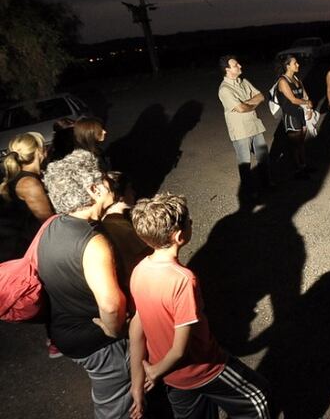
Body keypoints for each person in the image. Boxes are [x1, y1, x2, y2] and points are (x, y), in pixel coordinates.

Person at [129, 193, 271, 419]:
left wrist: (137, 382)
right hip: (203, 368)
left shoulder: (139, 270)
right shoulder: (183, 280)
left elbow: (137, 328)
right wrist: (154, 371)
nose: (191, 222)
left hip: (172, 379)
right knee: (259, 398)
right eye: (188, 221)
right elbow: (180, 349)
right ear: (178, 236)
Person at [37, 150, 130, 419]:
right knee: (115, 407)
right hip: (94, 341)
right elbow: (111, 307)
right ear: (94, 188)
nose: (108, 183)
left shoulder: (54, 225)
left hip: (64, 331)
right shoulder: (92, 242)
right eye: (103, 179)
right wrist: (114, 330)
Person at [218, 55, 272, 193]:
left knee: (263, 158)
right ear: (227, 69)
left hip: (254, 125)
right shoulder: (224, 89)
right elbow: (241, 108)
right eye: (236, 65)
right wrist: (251, 104)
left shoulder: (244, 82)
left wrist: (247, 104)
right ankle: (248, 193)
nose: (240, 66)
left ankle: (266, 185)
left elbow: (261, 96)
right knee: (245, 164)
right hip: (241, 131)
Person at [1, 132, 55, 261]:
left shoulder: (21, 177)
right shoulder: (28, 183)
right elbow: (48, 222)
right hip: (24, 251)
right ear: (40, 152)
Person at [100, 171, 149, 309]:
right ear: (120, 196)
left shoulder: (104, 221)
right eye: (129, 188)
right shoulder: (123, 229)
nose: (133, 192)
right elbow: (147, 256)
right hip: (136, 287)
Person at [276, 54, 314, 177]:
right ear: (287, 66)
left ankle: (304, 166)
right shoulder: (283, 81)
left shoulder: (297, 79)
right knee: (295, 144)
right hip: (291, 115)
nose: (298, 65)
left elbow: (305, 96)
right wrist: (306, 103)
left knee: (301, 142)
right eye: (295, 63)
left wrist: (309, 108)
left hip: (300, 113)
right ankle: (297, 169)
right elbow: (293, 100)